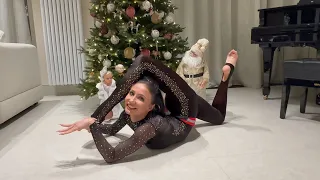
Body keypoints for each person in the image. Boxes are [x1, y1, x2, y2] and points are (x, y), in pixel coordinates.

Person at [57, 49, 239, 163]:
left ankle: (226, 76)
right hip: (174, 112)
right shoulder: (128, 113)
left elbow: (111, 156)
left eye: (140, 98)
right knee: (218, 117)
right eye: (131, 93)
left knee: (143, 62)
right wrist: (94, 125)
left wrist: (92, 122)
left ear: (151, 107)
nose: (131, 100)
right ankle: (226, 76)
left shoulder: (149, 128)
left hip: (185, 109)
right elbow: (112, 130)